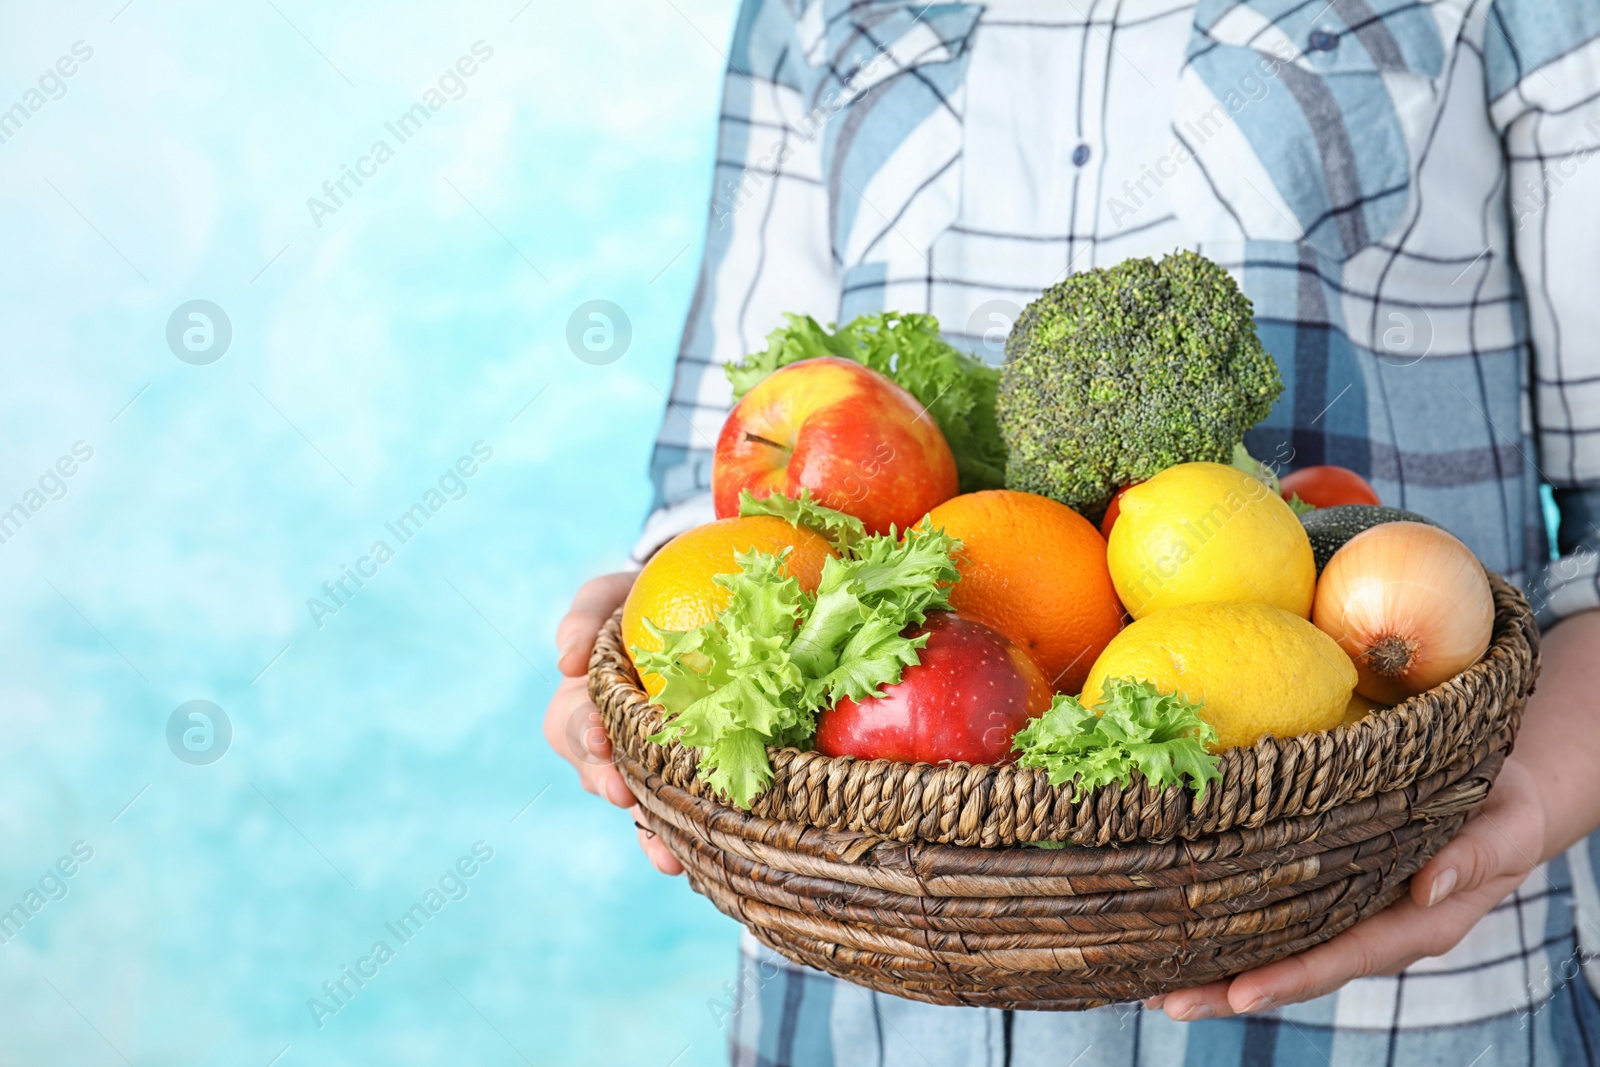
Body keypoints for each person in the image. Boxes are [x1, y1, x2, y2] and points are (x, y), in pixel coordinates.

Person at [546, 1, 1600, 1063]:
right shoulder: (801, 14)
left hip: (1388, 981)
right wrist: (644, 631)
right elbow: (715, 491)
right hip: (865, 1007)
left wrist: (1527, 799)